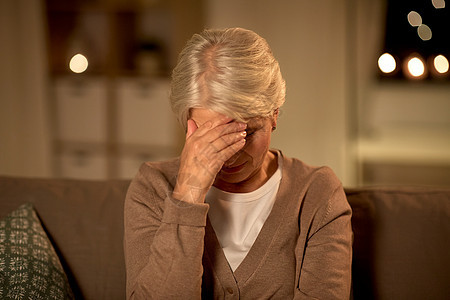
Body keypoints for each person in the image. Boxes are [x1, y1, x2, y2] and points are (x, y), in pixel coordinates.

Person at [124, 27, 353, 299]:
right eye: (212, 135)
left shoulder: (316, 193)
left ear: (274, 115)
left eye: (247, 132)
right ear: (188, 124)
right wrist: (187, 195)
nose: (230, 153)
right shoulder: (153, 187)